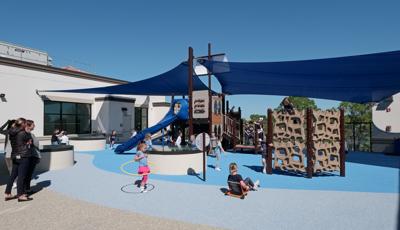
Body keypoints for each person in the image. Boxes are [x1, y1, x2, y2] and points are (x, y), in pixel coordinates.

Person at [5, 118, 33, 202]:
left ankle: (7, 193)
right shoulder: (22, 132)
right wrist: (28, 138)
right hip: (23, 156)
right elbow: (29, 138)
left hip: (14, 155)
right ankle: (20, 195)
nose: (26, 125)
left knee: (13, 175)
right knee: (22, 176)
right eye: (25, 123)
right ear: (23, 124)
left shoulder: (11, 132)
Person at [24, 120, 41, 193]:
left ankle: (26, 189)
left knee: (27, 174)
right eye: (33, 125)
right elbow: (36, 144)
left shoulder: (29, 134)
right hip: (31, 156)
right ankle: (25, 190)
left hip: (31, 156)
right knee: (27, 174)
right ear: (28, 125)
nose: (34, 126)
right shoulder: (29, 135)